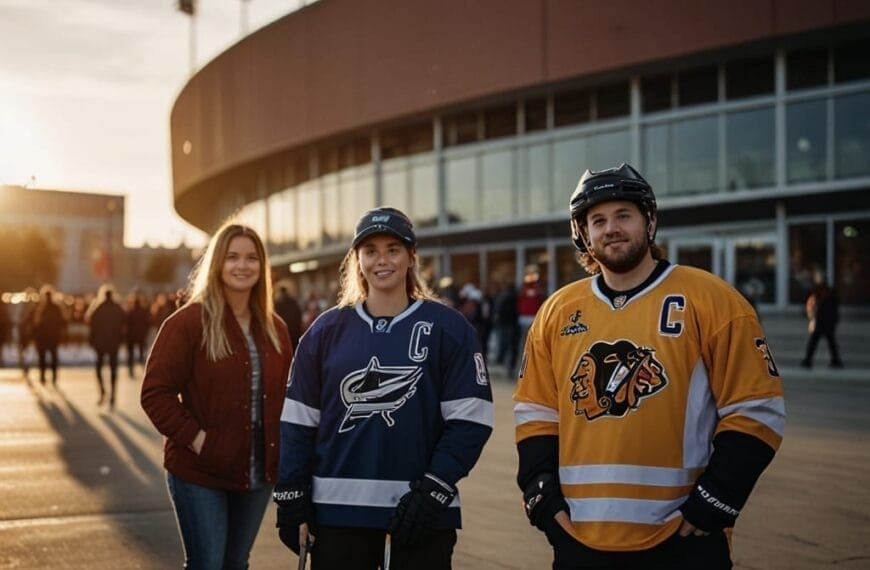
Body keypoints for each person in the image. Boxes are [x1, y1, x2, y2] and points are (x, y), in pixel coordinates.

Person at [513, 163, 786, 569]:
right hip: (579, 539)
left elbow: (756, 408)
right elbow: (536, 411)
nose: (611, 229)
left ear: (650, 220)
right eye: (598, 220)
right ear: (583, 233)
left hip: (683, 538)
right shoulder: (557, 311)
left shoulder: (712, 299)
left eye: (624, 215)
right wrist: (542, 498)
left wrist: (714, 501)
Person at [275, 207, 493, 570]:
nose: (382, 260)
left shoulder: (449, 328)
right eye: (371, 250)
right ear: (357, 260)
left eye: (393, 249)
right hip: (336, 516)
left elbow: (471, 420)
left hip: (421, 514)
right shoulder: (325, 330)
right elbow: (298, 422)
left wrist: (434, 489)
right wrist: (291, 493)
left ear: (411, 257)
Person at [141, 222, 292, 570]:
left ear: (262, 266)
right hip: (200, 472)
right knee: (207, 563)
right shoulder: (188, 323)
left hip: (256, 474)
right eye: (233, 257)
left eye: (252, 258)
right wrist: (199, 441)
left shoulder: (276, 329)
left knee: (236, 563)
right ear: (217, 264)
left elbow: (287, 397)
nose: (243, 266)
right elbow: (155, 393)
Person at [86, 285, 127, 408]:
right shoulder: (118, 308)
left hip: (101, 343)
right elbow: (124, 325)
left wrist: (92, 341)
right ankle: (113, 395)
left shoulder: (97, 308)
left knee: (99, 368)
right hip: (113, 343)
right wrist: (121, 339)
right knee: (113, 369)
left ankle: (103, 391)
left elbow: (91, 325)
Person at [800, 274, 843, 369]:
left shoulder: (824, 293)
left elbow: (832, 308)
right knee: (826, 341)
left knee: (817, 341)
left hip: (823, 321)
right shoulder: (821, 292)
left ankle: (809, 360)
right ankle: (834, 360)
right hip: (824, 321)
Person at [32, 285, 66, 386]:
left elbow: (36, 323)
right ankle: (52, 377)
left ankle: (44, 376)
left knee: (43, 357)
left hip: (44, 337)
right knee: (52, 357)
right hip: (52, 337)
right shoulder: (56, 308)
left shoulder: (41, 308)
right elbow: (63, 322)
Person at [125, 291, 152, 378]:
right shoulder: (143, 311)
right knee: (142, 353)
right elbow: (148, 323)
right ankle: (144, 369)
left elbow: (126, 324)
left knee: (131, 355)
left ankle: (131, 370)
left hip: (131, 336)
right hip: (141, 336)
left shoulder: (130, 312)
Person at [273, 284, 303, 349]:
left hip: (285, 329)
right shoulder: (293, 302)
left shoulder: (278, 303)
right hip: (294, 329)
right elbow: (298, 315)